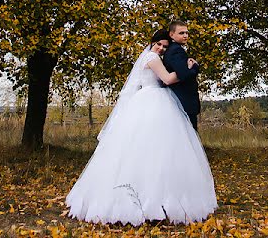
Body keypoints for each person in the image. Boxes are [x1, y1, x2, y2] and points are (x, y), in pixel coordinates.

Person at [65, 30, 217, 226]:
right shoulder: (152, 57)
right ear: (152, 43)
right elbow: (168, 80)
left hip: (152, 100)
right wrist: (191, 68)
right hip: (152, 101)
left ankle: (157, 200)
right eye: (158, 44)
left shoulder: (151, 56)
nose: (161, 48)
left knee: (156, 151)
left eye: (164, 46)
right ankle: (145, 202)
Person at [162, 19, 201, 130]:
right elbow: (183, 75)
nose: (185, 35)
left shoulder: (175, 49)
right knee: (189, 139)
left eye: (186, 33)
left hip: (183, 101)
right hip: (184, 101)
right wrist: (195, 67)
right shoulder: (176, 51)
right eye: (181, 33)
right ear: (171, 34)